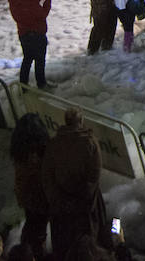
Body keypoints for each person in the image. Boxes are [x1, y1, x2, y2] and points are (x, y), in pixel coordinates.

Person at [42, 107, 107, 261]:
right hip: (85, 203)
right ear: (81, 121)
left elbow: (47, 175)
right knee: (89, 242)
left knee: (66, 243)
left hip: (62, 206)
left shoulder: (54, 144)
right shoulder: (90, 142)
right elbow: (95, 173)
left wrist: (57, 200)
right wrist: (87, 199)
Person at [10, 113, 51, 259]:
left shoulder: (19, 151)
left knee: (32, 224)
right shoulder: (41, 153)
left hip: (27, 198)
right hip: (41, 198)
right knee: (39, 228)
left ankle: (27, 250)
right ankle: (37, 253)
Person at [9, 0, 53, 88]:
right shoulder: (28, 2)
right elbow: (42, 13)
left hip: (24, 34)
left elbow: (30, 3)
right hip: (36, 34)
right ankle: (41, 84)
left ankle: (23, 85)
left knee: (27, 59)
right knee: (39, 61)